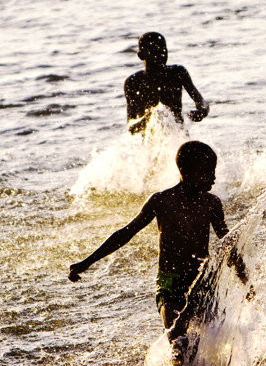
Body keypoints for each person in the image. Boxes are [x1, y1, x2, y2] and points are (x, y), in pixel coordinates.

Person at [69, 141, 231, 335]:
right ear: (186, 171)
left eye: (213, 171)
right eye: (206, 171)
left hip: (201, 283)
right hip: (169, 285)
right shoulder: (162, 201)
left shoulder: (211, 204)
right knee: (176, 337)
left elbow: (228, 245)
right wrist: (87, 262)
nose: (213, 178)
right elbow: (125, 233)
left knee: (203, 338)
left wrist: (247, 282)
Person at [124, 32, 209, 135]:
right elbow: (131, 127)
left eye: (164, 50)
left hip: (179, 137)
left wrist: (202, 111)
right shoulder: (133, 82)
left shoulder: (178, 73)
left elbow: (201, 101)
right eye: (155, 50)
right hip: (151, 145)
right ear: (141, 55)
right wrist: (148, 118)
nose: (161, 54)